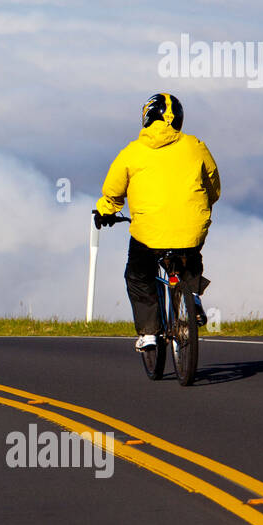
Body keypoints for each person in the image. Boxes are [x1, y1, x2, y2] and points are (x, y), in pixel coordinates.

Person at [93, 93, 220, 350]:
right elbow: (213, 186)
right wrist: (200, 206)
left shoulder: (132, 152)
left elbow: (113, 192)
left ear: (147, 118)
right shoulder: (196, 145)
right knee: (190, 255)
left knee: (138, 275)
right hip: (191, 226)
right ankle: (192, 297)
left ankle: (149, 333)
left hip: (148, 233)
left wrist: (105, 211)